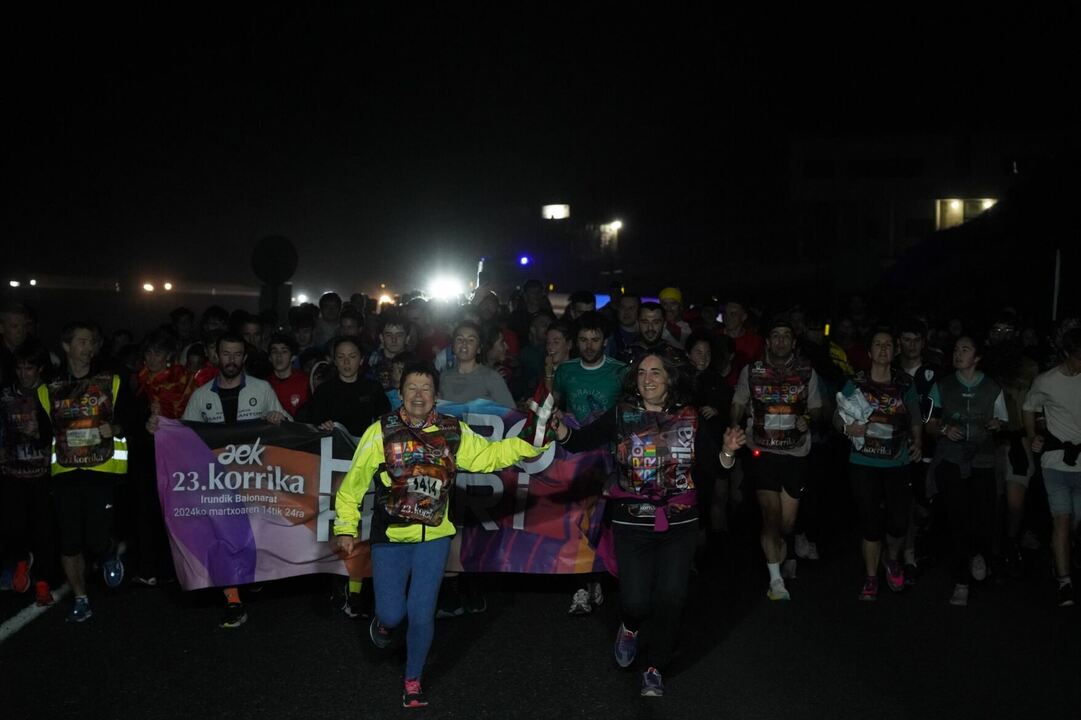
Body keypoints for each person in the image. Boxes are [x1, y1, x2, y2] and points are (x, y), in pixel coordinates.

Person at [334, 362, 547, 708]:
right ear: (400, 393)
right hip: (390, 537)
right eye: (412, 388)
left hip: (434, 537)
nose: (419, 395)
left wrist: (529, 444)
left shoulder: (452, 430)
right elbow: (352, 485)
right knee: (392, 613)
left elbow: (488, 456)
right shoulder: (380, 431)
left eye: (426, 388)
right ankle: (385, 625)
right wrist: (345, 527)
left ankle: (413, 680)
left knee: (421, 613)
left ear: (436, 395)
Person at [554, 351, 745, 697]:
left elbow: (716, 467)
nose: (648, 379)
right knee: (636, 601)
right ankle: (630, 626)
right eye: (642, 373)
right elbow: (580, 441)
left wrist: (729, 451)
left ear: (670, 378)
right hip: (631, 521)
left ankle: (655, 666)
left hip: (680, 522)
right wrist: (559, 427)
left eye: (656, 372)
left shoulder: (689, 417)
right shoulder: (621, 414)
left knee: (671, 598)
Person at [156, 332, 289, 627]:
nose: (231, 360)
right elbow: (184, 436)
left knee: (254, 534)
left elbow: (288, 428)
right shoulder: (201, 395)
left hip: (256, 479)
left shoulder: (262, 388)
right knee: (223, 535)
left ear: (244, 357)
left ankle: (252, 574)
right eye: (226, 354)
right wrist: (161, 428)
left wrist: (278, 419)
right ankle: (233, 600)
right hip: (216, 482)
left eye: (237, 354)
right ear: (216, 356)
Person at [38, 321, 134, 622]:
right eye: (81, 341)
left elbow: (133, 418)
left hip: (101, 469)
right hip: (65, 472)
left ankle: (107, 551)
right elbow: (43, 432)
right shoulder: (48, 388)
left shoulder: (111, 381)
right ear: (66, 346)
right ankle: (81, 598)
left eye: (91, 341)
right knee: (69, 541)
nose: (88, 347)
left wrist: (115, 428)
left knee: (95, 538)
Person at [731, 316, 823, 601]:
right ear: (768, 342)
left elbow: (817, 408)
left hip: (796, 452)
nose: (781, 340)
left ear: (793, 343)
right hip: (763, 451)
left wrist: (809, 419)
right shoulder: (752, 371)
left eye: (786, 336)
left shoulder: (807, 372)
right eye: (776, 335)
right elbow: (738, 402)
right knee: (770, 516)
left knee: (786, 523)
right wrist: (733, 425)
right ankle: (776, 581)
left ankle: (786, 544)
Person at [835, 329, 923, 601]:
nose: (883, 349)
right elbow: (837, 417)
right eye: (878, 344)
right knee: (870, 524)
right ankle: (871, 576)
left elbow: (915, 418)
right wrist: (848, 428)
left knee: (898, 523)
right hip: (864, 461)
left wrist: (918, 442)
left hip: (897, 462)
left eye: (888, 345)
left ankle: (891, 559)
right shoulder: (857, 382)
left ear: (895, 351)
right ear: (869, 351)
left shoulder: (905, 383)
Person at [552, 311, 627, 615]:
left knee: (601, 523)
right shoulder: (565, 370)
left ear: (605, 341)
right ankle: (580, 586)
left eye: (595, 339)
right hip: (575, 457)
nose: (589, 345)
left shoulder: (620, 371)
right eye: (583, 339)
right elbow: (554, 403)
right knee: (577, 520)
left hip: (610, 458)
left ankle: (596, 575)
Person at [927, 335, 1008, 607]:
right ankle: (961, 580)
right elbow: (929, 423)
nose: (958, 353)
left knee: (983, 514)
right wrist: (944, 429)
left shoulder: (992, 387)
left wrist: (997, 425)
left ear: (977, 357)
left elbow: (1003, 420)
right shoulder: (943, 385)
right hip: (952, 458)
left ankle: (978, 553)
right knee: (957, 515)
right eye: (956, 349)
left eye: (965, 349)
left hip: (983, 457)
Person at [1023, 328, 1081, 607]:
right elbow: (1029, 406)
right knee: (1062, 520)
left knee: (1075, 522)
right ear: (1067, 353)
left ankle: (1060, 551)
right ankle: (1064, 581)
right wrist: (1033, 435)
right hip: (1056, 461)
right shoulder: (1046, 381)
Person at [129, 330, 192, 586]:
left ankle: (171, 569)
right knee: (144, 510)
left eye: (158, 353)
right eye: (148, 352)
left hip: (175, 454)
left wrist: (164, 415)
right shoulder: (138, 380)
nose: (152, 358)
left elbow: (187, 413)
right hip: (144, 453)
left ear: (168, 356)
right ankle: (148, 568)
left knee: (172, 511)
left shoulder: (181, 379)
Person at [0, 339, 57, 605]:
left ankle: (43, 583)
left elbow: (61, 429)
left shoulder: (50, 394)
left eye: (29, 368)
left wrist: (41, 434)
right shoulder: (5, 394)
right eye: (20, 368)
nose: (23, 373)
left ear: (40, 369)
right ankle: (22, 562)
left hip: (42, 473)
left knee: (44, 531)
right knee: (13, 527)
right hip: (11, 472)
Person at [438, 322, 514, 408]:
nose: (464, 343)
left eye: (471, 340)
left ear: (479, 349)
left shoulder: (491, 377)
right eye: (459, 339)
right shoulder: (444, 377)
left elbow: (510, 412)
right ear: (453, 346)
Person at [723, 299, 764, 386]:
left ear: (743, 317)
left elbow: (760, 368)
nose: (727, 317)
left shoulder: (755, 341)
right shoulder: (714, 337)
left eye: (733, 314)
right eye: (725, 313)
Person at [267, 333, 309, 417]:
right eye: (274, 352)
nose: (279, 356)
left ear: (293, 357)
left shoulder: (305, 381)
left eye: (284, 351)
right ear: (270, 358)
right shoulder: (264, 384)